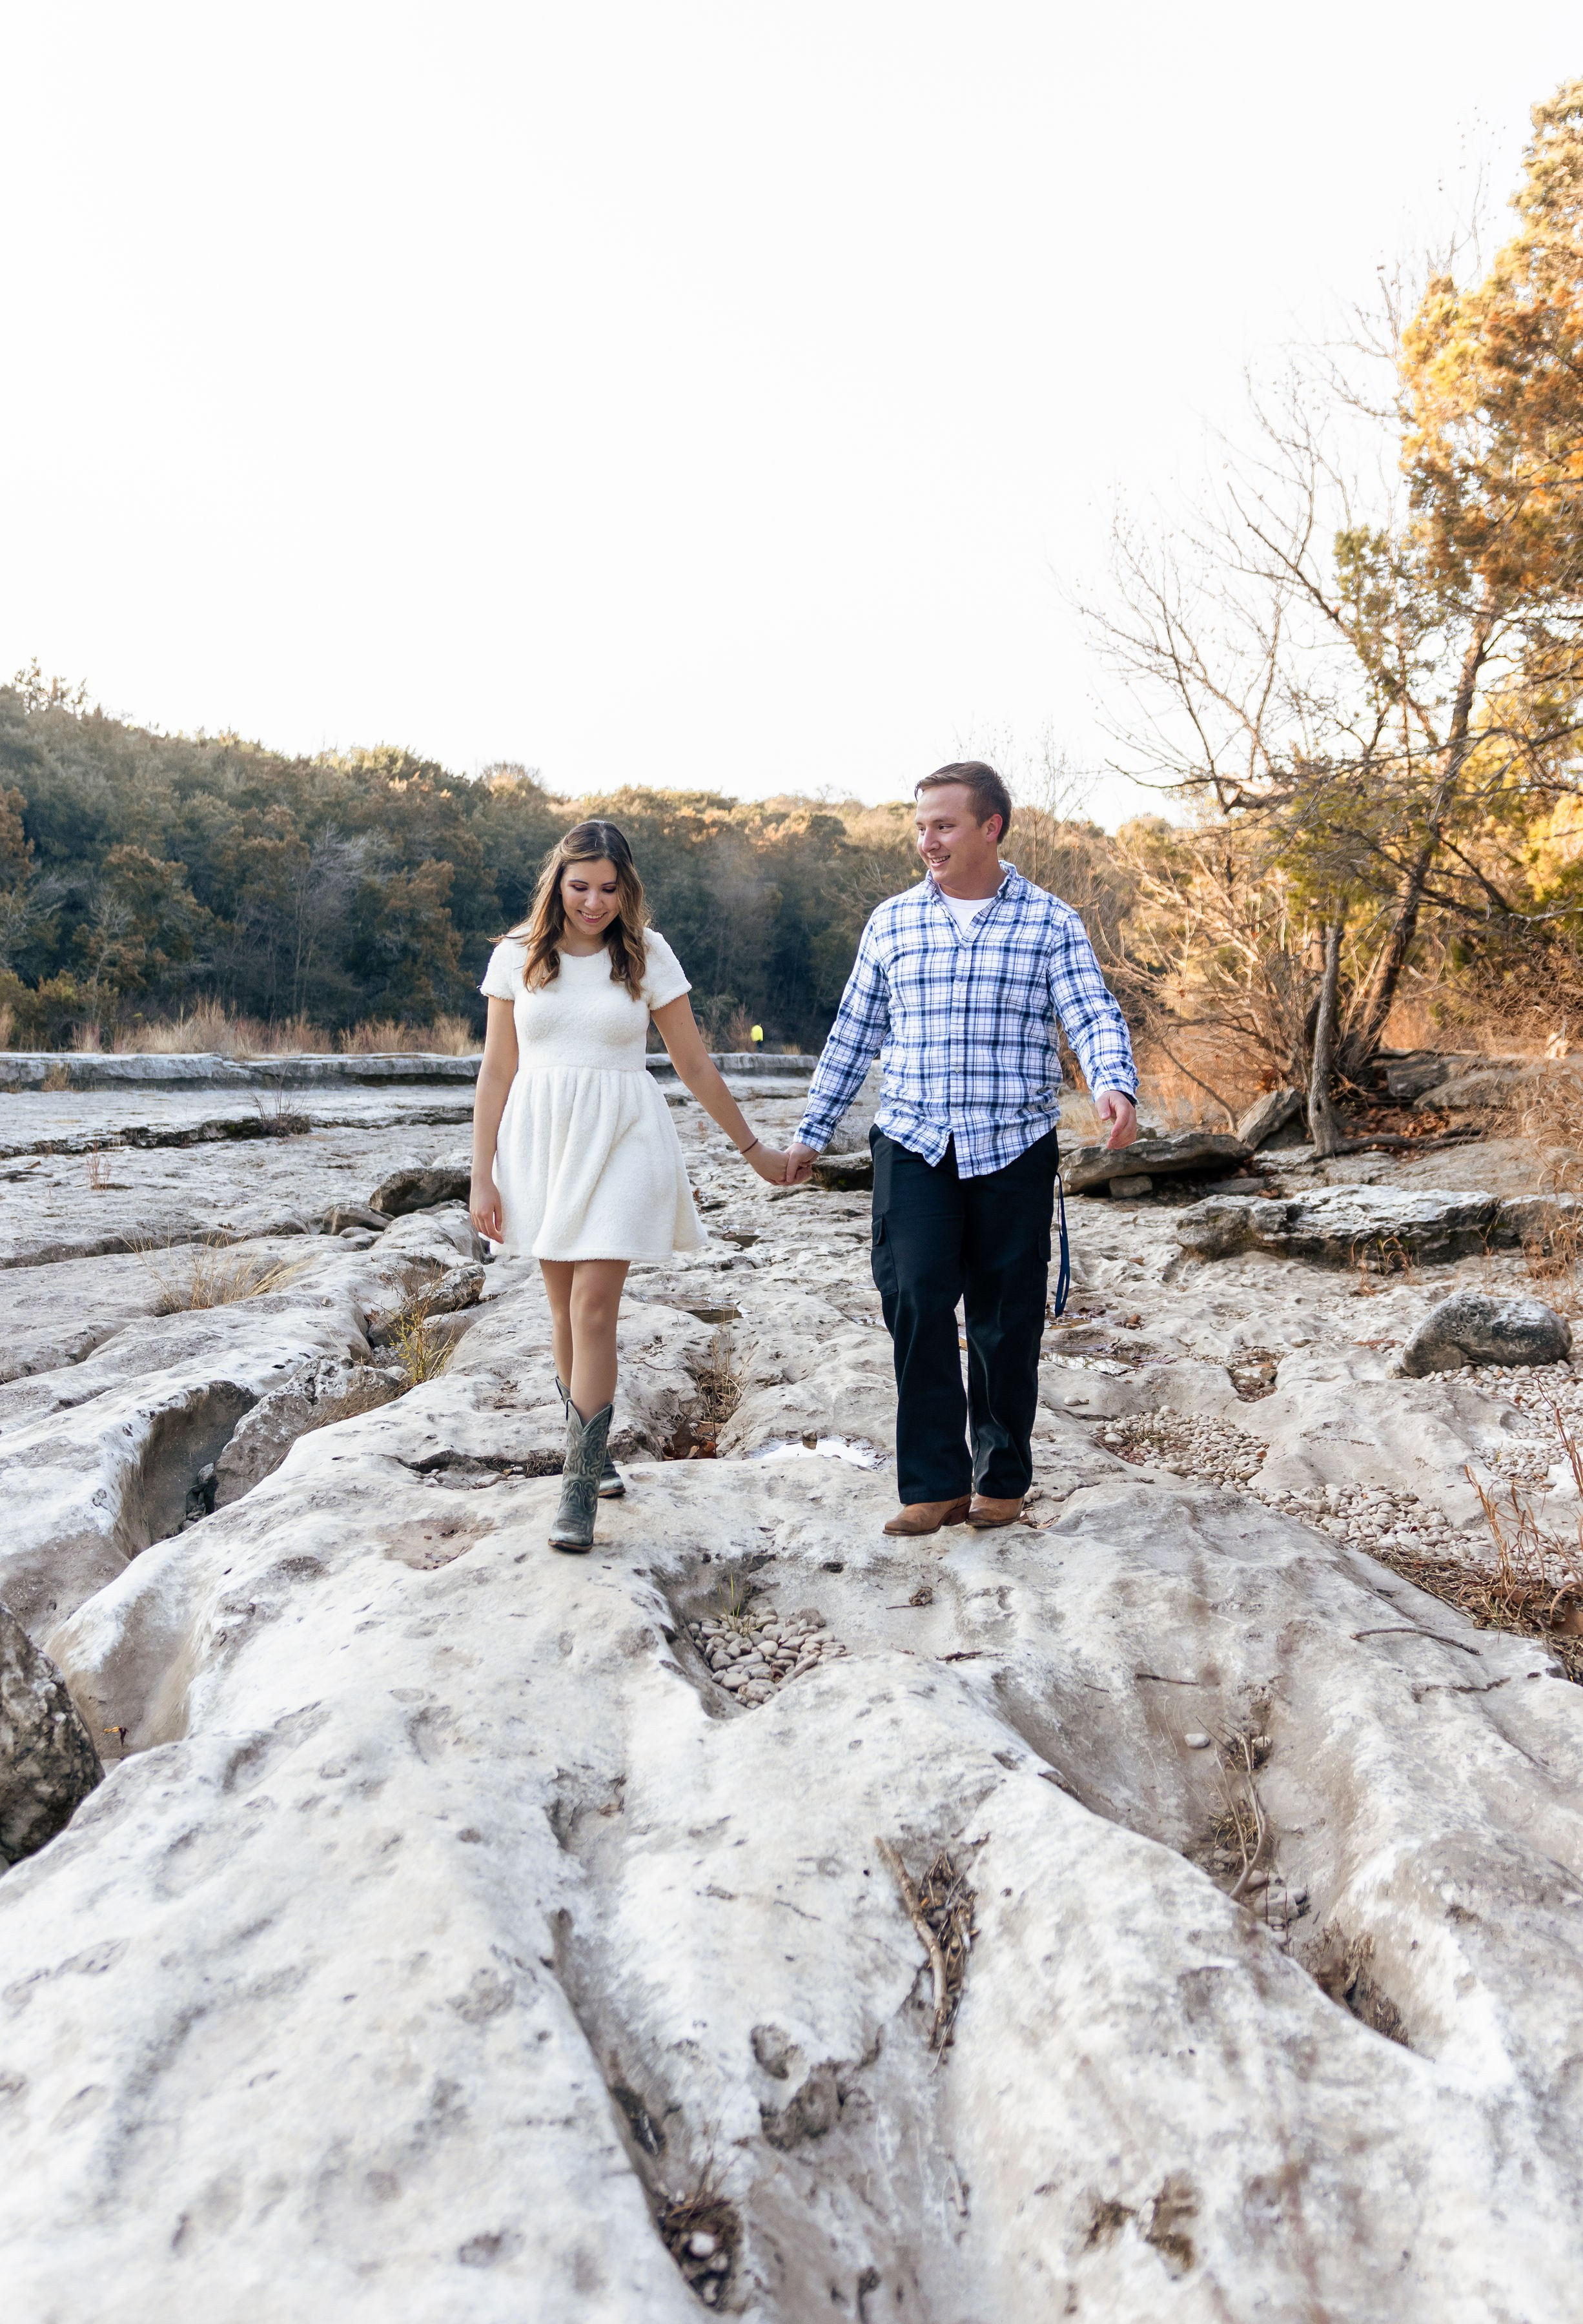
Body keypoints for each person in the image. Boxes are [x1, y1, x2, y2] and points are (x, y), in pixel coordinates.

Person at [784, 762, 1138, 1536]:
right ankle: (933, 1484)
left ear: (991, 827)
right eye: (919, 827)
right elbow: (853, 1033)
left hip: (1012, 1145)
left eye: (942, 826)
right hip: (912, 1141)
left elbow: (1091, 1013)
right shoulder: (892, 923)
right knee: (912, 1297)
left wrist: (1113, 1083)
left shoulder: (1049, 922)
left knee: (1005, 1319)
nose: (926, 842)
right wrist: (813, 1132)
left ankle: (1001, 1479)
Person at [469, 821, 788, 1551]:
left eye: (609, 889)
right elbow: (495, 1071)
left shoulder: (646, 953)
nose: (593, 902)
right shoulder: (517, 955)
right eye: (580, 886)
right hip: (542, 1140)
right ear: (557, 880)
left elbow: (695, 1065)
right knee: (559, 1311)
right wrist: (480, 1175)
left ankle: (576, 1491)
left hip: (623, 1136)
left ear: (627, 888)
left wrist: (753, 1150)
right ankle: (596, 1451)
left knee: (591, 1309)